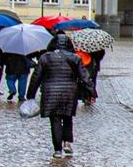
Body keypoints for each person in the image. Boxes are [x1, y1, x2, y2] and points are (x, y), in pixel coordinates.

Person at [30, 30, 90, 158]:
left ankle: (57, 149)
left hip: (51, 92)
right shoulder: (75, 58)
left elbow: (36, 77)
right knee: (68, 117)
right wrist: (91, 90)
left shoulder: (45, 57)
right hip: (69, 92)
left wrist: (30, 95)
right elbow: (84, 76)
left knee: (55, 120)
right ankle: (67, 142)